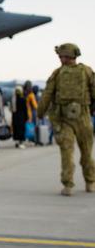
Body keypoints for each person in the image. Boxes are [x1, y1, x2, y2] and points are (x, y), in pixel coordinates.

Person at [37, 43, 95, 196]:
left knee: (67, 152)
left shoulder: (57, 74)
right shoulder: (87, 71)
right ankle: (90, 182)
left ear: (65, 56)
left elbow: (47, 95)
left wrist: (40, 113)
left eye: (61, 56)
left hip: (64, 118)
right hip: (83, 116)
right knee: (87, 152)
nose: (60, 58)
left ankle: (68, 185)